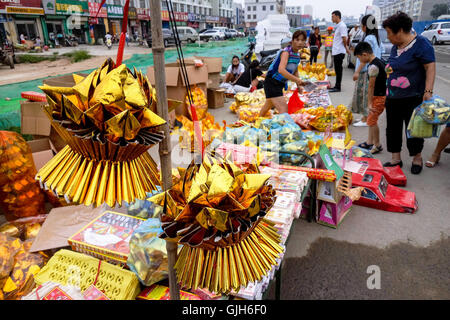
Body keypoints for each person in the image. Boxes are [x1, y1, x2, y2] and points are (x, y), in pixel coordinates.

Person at [382, 11, 436, 174]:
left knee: (413, 129)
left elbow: (430, 68)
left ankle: (417, 157)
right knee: (392, 128)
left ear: (400, 31)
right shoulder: (394, 47)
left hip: (413, 96)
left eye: (389, 33)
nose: (388, 37)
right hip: (393, 95)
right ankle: (395, 158)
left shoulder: (421, 44)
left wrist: (428, 91)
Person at [259, 30, 307, 116]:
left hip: (279, 83)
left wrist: (298, 85)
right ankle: (284, 129)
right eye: (297, 39)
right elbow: (281, 70)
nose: (300, 42)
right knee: (283, 110)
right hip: (272, 82)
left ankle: (256, 122)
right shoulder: (286, 52)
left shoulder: (297, 55)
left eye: (302, 40)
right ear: (292, 41)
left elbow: (295, 71)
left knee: (268, 104)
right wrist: (297, 80)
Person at [351, 14, 384, 128]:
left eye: (362, 25)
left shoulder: (369, 38)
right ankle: (364, 117)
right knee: (365, 94)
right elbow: (381, 51)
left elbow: (365, 58)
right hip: (372, 69)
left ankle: (365, 119)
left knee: (365, 95)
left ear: (365, 26)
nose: (361, 27)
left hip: (366, 71)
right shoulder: (376, 38)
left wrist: (357, 72)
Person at [354, 41, 387, 155]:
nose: (360, 61)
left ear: (364, 54)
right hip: (382, 95)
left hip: (378, 97)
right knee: (370, 120)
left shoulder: (373, 67)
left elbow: (371, 86)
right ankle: (369, 142)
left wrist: (369, 103)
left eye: (359, 58)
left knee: (372, 121)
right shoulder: (379, 61)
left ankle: (377, 145)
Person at [329, 10, 350, 93]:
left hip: (339, 51)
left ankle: (338, 87)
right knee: (337, 70)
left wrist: (346, 48)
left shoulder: (342, 26)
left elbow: (344, 38)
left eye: (332, 16)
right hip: (337, 51)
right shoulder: (338, 26)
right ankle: (336, 86)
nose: (332, 18)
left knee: (338, 70)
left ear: (337, 16)